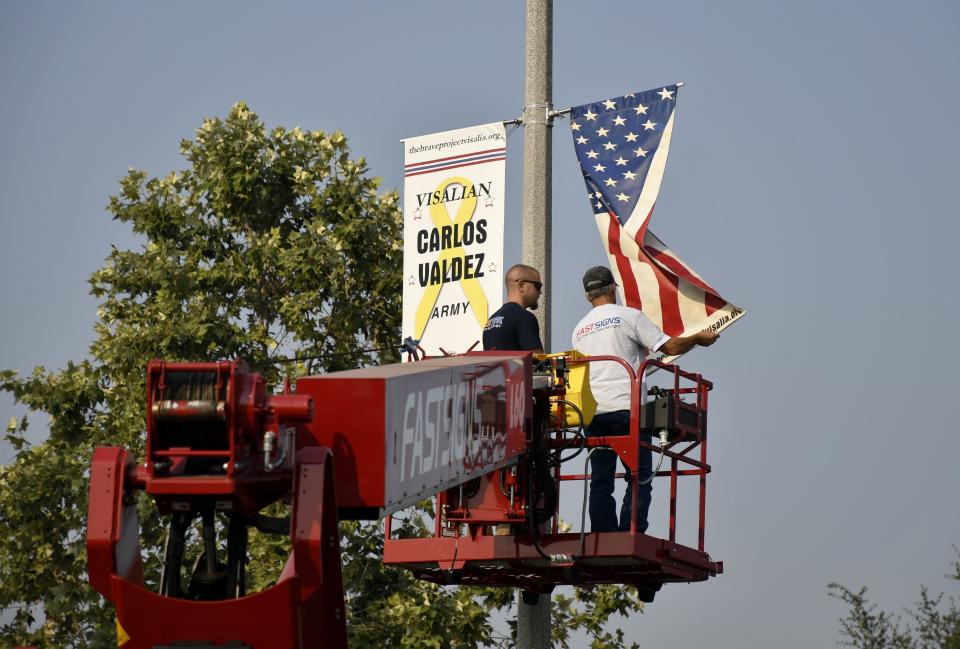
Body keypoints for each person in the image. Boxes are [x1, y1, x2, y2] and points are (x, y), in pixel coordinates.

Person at [571, 266, 718, 535]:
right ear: (613, 288)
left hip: (592, 412)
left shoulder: (579, 330)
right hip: (628, 410)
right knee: (640, 477)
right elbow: (670, 347)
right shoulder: (629, 317)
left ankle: (602, 535)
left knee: (600, 480)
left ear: (587, 296)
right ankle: (631, 532)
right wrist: (697, 338)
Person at [482, 264, 545, 353]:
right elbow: (537, 361)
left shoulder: (490, 321)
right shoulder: (524, 317)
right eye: (538, 286)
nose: (540, 292)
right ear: (521, 285)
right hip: (517, 367)